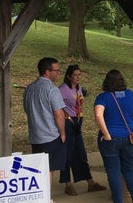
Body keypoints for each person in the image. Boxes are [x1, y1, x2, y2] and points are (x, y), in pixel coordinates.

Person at [94, 69, 133, 203]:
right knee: (128, 169)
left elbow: (98, 115)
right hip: (130, 137)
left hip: (111, 138)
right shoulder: (130, 94)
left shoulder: (103, 97)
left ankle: (118, 201)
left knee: (113, 172)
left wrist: (106, 134)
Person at [58, 65, 106, 196]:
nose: (78, 77)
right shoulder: (62, 89)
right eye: (75, 75)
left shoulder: (78, 88)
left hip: (78, 122)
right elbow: (55, 105)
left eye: (80, 74)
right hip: (68, 123)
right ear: (68, 76)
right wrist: (66, 116)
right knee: (68, 153)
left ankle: (90, 182)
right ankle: (68, 184)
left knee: (81, 153)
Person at [23, 57, 67, 194]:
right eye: (57, 70)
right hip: (50, 135)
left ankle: (40, 195)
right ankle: (45, 197)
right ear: (47, 72)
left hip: (35, 135)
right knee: (49, 169)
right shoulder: (52, 90)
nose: (59, 73)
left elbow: (26, 108)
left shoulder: (29, 89)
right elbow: (59, 113)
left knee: (38, 167)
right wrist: (63, 133)